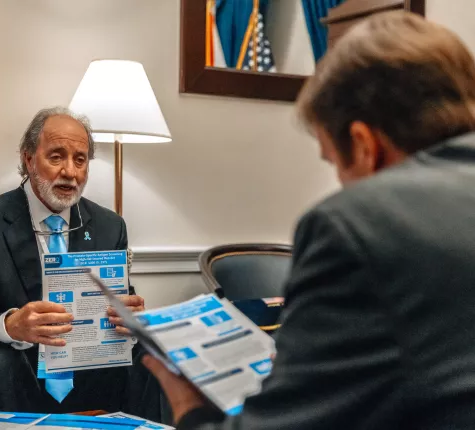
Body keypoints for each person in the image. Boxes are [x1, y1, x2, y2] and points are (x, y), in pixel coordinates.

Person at [143, 11, 475, 430]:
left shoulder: (360, 225)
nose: (339, 183)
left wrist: (189, 407)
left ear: (363, 144)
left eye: (334, 162)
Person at [0, 107, 154, 423]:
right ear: (29, 159)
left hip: (82, 362)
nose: (70, 171)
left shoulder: (110, 226)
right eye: (57, 157)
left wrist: (129, 319)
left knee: (152, 357)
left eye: (80, 160)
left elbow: (118, 304)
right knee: (1, 363)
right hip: (10, 362)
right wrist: (12, 325)